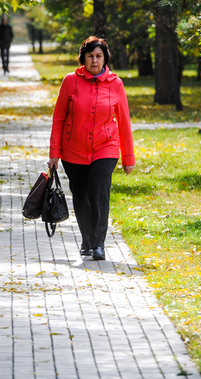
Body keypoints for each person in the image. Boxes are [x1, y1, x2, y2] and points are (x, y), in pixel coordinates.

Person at [47, 37, 135, 260]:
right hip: (74, 149)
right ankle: (87, 241)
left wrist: (128, 157)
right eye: (90, 56)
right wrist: (54, 155)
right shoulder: (70, 81)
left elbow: (123, 122)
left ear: (105, 59)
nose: (94, 60)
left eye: (99, 56)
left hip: (106, 147)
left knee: (99, 193)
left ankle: (98, 244)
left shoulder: (116, 84)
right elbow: (59, 118)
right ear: (83, 58)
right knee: (81, 196)